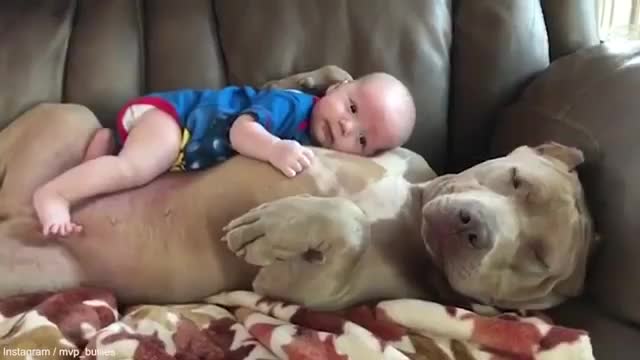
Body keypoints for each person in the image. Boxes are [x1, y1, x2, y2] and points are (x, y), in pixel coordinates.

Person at [32, 72, 416, 237]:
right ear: (337, 87)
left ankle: (103, 150)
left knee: (142, 180)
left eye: (363, 140)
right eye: (351, 109)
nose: (348, 128)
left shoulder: (320, 142)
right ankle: (54, 195)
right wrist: (275, 149)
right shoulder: (290, 107)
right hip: (176, 122)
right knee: (136, 168)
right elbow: (240, 131)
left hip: (184, 152)